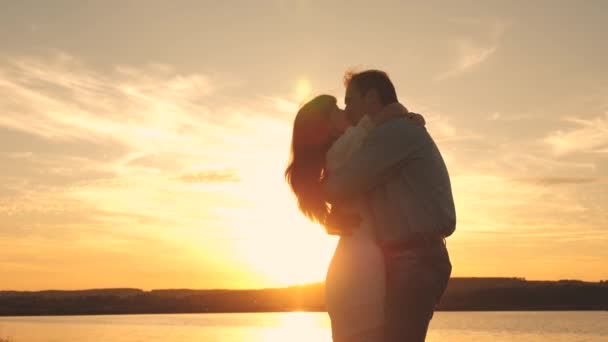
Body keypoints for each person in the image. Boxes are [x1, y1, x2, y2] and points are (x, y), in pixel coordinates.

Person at [324, 70, 456, 342]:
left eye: (350, 100)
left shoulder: (393, 133)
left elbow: (342, 186)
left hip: (414, 260)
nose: (346, 108)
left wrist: (311, 185)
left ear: (371, 98)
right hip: (409, 258)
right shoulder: (396, 130)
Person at [285, 93, 424, 341]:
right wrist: (409, 118)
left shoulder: (339, 155)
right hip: (361, 269)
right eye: (337, 108)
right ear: (326, 125)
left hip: (353, 266)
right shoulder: (347, 147)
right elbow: (379, 118)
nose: (346, 111)